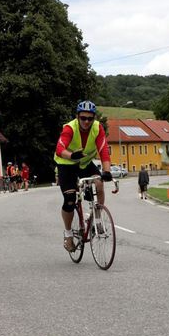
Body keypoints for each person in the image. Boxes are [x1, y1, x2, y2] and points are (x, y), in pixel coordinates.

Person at [54, 100, 112, 252]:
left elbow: (103, 150)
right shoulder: (69, 128)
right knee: (70, 201)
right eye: (83, 118)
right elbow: (60, 149)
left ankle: (97, 219)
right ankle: (68, 235)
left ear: (94, 118)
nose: (86, 121)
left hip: (85, 164)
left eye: (90, 118)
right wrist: (72, 155)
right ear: (77, 116)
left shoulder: (97, 128)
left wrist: (107, 172)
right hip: (66, 164)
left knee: (99, 183)